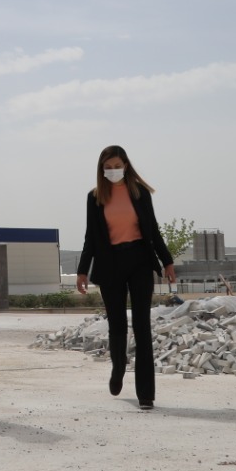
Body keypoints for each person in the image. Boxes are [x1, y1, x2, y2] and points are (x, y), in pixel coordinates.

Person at [74, 145, 176, 411]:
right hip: (110, 264)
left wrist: (167, 261)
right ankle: (118, 367)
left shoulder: (140, 193)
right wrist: (82, 270)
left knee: (142, 326)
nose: (112, 171)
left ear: (126, 166)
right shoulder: (95, 197)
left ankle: (146, 394)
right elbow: (90, 237)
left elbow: (153, 230)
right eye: (107, 167)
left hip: (139, 261)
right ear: (101, 170)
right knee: (117, 325)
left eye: (117, 166)